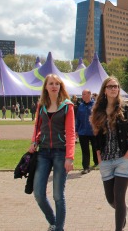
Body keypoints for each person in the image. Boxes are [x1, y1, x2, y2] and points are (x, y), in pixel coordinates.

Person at [91, 76, 128, 231]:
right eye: (110, 86)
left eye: (116, 86)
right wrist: (98, 155)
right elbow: (96, 136)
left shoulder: (126, 109)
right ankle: (124, 211)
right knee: (111, 199)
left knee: (119, 198)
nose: (114, 88)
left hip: (122, 160)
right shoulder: (98, 111)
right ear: (104, 90)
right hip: (105, 160)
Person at [28, 74, 75, 231]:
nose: (54, 86)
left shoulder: (67, 106)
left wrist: (70, 157)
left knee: (57, 195)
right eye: (51, 83)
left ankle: (59, 228)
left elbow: (71, 132)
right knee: (39, 193)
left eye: (57, 83)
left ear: (61, 86)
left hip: (60, 153)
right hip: (43, 152)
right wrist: (34, 141)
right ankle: (53, 221)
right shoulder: (41, 105)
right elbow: (38, 126)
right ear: (46, 87)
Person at [76, 89, 98, 174]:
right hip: (82, 132)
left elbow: (98, 117)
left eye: (84, 94)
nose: (82, 96)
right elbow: (77, 118)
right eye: (82, 94)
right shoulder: (80, 106)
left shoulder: (95, 105)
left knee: (95, 148)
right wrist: (76, 130)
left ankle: (97, 162)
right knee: (85, 150)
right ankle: (86, 167)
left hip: (93, 131)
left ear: (89, 94)